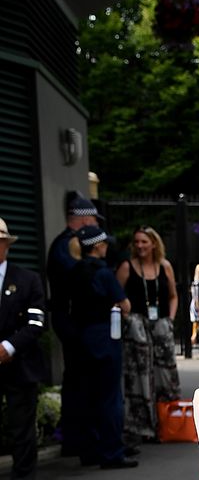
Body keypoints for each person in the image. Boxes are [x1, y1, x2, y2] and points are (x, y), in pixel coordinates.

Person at [69, 226, 136, 471]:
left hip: (81, 337)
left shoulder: (74, 270)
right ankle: (111, 452)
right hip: (105, 337)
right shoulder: (104, 273)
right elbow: (125, 305)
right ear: (98, 246)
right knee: (110, 397)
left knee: (87, 393)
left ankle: (89, 449)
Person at [46, 193, 102, 458]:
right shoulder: (66, 244)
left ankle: (79, 439)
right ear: (82, 218)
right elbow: (79, 279)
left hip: (71, 319)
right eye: (91, 218)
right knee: (81, 381)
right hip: (72, 321)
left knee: (79, 380)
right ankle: (80, 441)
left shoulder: (65, 243)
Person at [117, 226, 180, 440]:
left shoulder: (165, 267)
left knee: (164, 374)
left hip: (161, 328)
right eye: (137, 242)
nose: (140, 246)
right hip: (137, 330)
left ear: (154, 243)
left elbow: (173, 295)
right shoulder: (127, 267)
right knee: (139, 376)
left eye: (144, 241)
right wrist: (128, 319)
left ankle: (167, 423)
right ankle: (140, 427)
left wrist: (170, 320)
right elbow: (117, 296)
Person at [0, 216, 46, 480]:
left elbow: (37, 321)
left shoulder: (27, 279)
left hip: (19, 364)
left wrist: (9, 346)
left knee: (22, 425)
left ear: (5, 244)